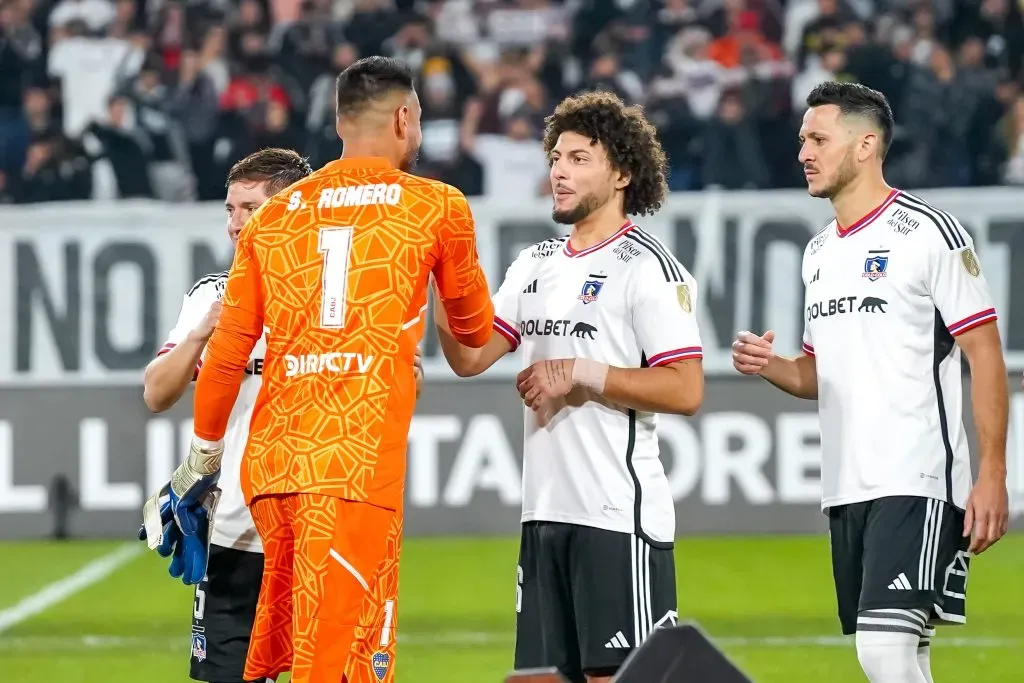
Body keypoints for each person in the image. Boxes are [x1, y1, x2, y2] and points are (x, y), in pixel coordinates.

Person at [143, 56, 495, 683]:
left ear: (337, 123)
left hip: (271, 477)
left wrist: (201, 454)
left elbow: (226, 353)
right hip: (352, 469)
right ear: (405, 118)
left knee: (259, 665)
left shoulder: (274, 217)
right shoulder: (438, 206)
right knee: (339, 667)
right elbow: (471, 338)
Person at [732, 81, 1010, 683]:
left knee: (883, 653)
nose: (803, 151)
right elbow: (816, 374)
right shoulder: (818, 253)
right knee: (901, 655)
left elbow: (983, 354)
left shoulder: (929, 232)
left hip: (917, 475)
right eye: (803, 138)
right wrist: (769, 365)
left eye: (817, 138)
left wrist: (992, 474)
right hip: (847, 485)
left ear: (864, 146)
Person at [433, 91, 705, 683]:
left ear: (623, 173)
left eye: (580, 158)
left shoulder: (649, 269)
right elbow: (472, 357)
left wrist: (583, 372)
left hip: (616, 516)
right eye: (556, 156)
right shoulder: (534, 264)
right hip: (543, 513)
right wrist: (439, 284)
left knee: (619, 677)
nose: (559, 170)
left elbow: (685, 390)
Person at [140, 147, 426, 683]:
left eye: (249, 208)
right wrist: (205, 330)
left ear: (291, 208)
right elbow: (156, 393)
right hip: (230, 534)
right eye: (229, 209)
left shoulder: (335, 300)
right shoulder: (212, 295)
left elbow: (404, 385)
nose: (234, 224)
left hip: (312, 530)